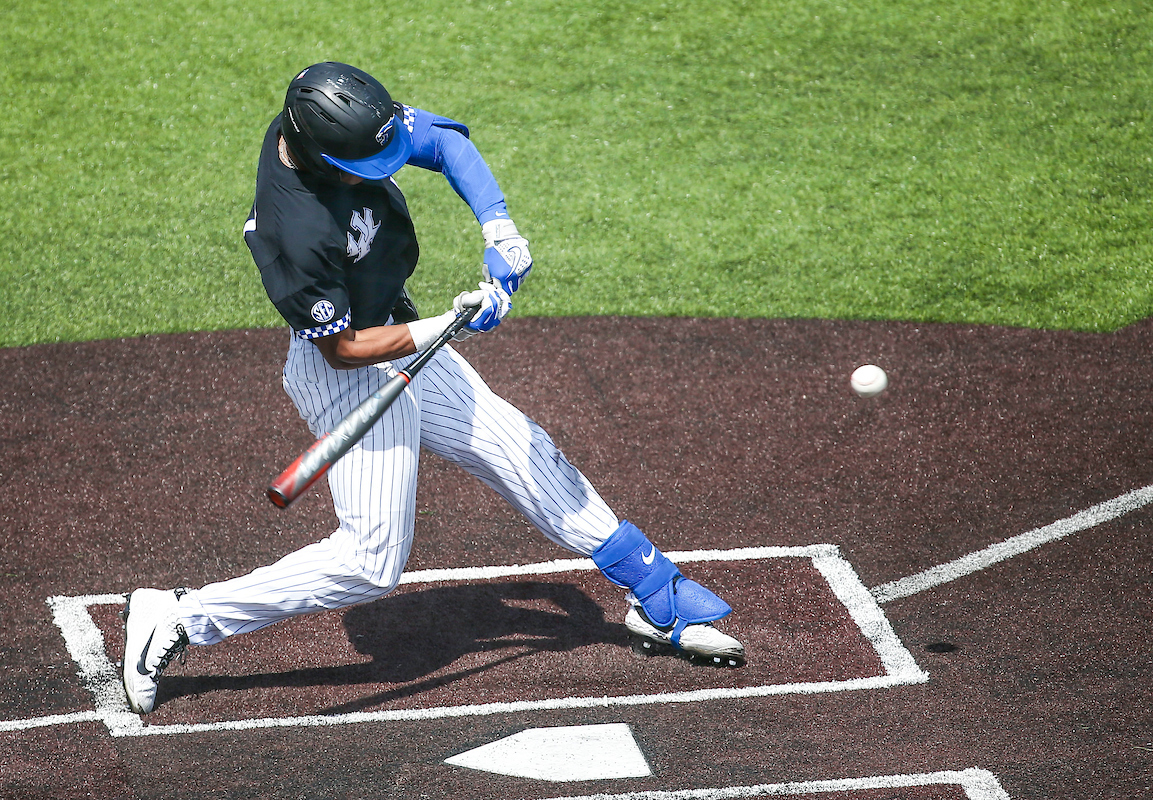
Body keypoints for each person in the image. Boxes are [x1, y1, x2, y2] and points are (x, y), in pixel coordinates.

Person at [121, 62, 744, 715]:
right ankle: (180, 617)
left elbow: (447, 144)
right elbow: (341, 351)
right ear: (322, 158)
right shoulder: (293, 229)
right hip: (355, 369)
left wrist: (499, 228)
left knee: (522, 450)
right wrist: (449, 323)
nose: (386, 162)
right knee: (370, 562)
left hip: (399, 327)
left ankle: (657, 595)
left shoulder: (342, 125)